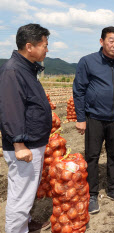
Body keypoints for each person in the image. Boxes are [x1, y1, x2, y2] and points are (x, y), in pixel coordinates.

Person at [73, 26, 114, 214]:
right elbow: (79, 91)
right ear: (101, 42)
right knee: (92, 156)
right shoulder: (87, 62)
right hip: (94, 118)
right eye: (111, 41)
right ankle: (91, 194)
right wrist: (80, 118)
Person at [0, 23, 52, 233]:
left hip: (32, 143)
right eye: (45, 45)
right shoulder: (13, 71)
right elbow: (9, 109)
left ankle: (26, 224)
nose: (47, 50)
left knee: (26, 192)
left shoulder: (25, 68)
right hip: (24, 146)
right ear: (30, 46)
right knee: (20, 196)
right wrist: (19, 144)